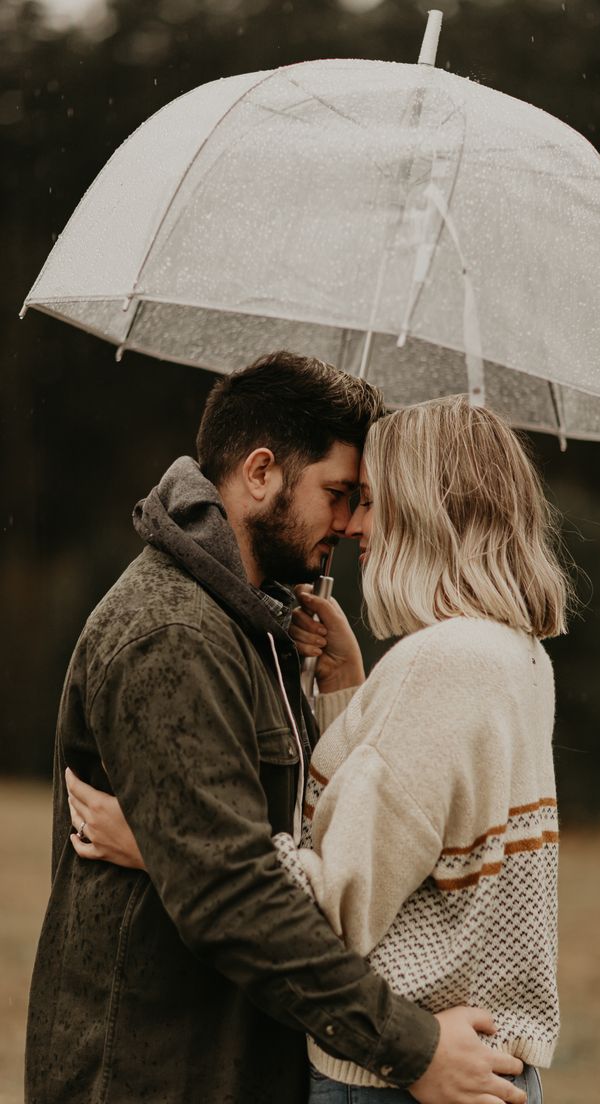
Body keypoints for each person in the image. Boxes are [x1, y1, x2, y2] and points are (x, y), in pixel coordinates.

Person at [28, 352, 525, 1104]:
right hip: (154, 1072)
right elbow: (234, 896)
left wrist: (341, 690)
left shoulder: (261, 624)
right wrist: (413, 1050)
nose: (354, 522)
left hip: (232, 1058)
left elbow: (313, 834)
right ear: (261, 473)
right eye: (339, 494)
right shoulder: (174, 633)